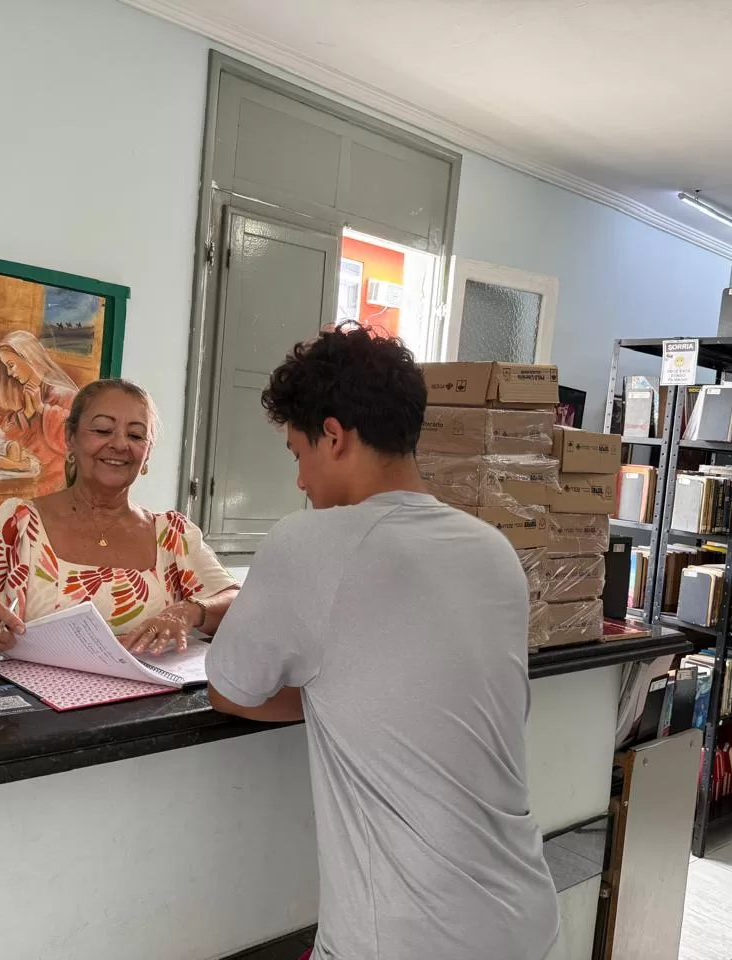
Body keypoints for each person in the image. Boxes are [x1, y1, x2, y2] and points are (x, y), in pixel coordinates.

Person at [205, 328, 560, 960]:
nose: (299, 481)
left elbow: (230, 691)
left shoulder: (309, 542)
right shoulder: (493, 549)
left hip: (404, 939)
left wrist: (323, 697)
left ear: (333, 437)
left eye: (297, 454)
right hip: (525, 919)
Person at [0, 379, 239, 664]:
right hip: (36, 706)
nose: (119, 444)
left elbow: (239, 602)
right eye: (102, 430)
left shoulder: (172, 534)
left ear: (147, 454)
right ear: (70, 437)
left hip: (149, 707)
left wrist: (189, 611)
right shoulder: (16, 524)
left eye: (135, 435)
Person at [0, 330, 79, 495]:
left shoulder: (64, 394)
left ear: (28, 357)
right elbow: (14, 438)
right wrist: (26, 415)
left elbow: (74, 440)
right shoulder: (26, 394)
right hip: (29, 469)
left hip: (55, 476)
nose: (9, 373)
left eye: (11, 365)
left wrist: (42, 408)